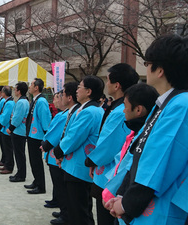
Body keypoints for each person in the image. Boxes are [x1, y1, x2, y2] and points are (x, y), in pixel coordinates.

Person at [107, 34, 188, 225]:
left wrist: (128, 204)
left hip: (160, 208)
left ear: (160, 69)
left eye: (147, 62)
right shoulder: (167, 103)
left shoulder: (180, 105)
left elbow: (158, 161)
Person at [85, 63, 140, 225]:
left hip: (110, 174)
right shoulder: (119, 107)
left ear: (117, 85)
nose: (106, 84)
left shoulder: (120, 111)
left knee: (106, 217)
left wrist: (91, 161)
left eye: (108, 80)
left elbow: (108, 145)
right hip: (110, 171)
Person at [53, 75, 104, 225]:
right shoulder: (92, 110)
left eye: (80, 87)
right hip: (79, 165)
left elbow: (73, 137)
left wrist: (58, 151)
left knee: (78, 210)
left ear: (88, 91)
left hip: (77, 167)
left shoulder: (89, 112)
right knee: (82, 208)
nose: (77, 90)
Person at [101, 83, 158, 214]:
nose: (124, 110)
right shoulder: (134, 132)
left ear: (138, 110)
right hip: (116, 194)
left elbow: (127, 168)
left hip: (122, 199)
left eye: (126, 106)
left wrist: (114, 195)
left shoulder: (144, 135)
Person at [42, 82, 80, 225]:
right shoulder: (64, 113)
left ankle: (65, 214)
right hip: (54, 154)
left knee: (63, 188)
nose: (56, 100)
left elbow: (58, 134)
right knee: (59, 186)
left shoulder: (67, 114)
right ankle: (63, 210)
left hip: (57, 154)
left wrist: (46, 145)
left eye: (59, 96)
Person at [24, 78, 52, 194]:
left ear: (36, 87)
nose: (29, 87)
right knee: (33, 160)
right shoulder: (35, 100)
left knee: (36, 161)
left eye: (31, 84)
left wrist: (46, 136)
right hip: (32, 134)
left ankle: (41, 186)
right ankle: (36, 181)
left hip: (38, 135)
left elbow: (45, 120)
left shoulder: (41, 101)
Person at [7, 82, 29, 182]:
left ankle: (21, 175)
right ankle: (19, 173)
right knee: (19, 154)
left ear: (19, 91)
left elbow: (17, 117)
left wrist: (11, 128)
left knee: (19, 154)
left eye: (15, 89)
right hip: (20, 130)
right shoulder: (23, 101)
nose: (14, 91)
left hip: (19, 131)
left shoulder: (21, 102)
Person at [0, 86, 15, 174]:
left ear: (3, 93)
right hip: (3, 127)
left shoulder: (9, 103)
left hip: (6, 128)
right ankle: (5, 163)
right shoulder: (6, 101)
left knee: (8, 148)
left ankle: (9, 166)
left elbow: (6, 115)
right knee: (4, 147)